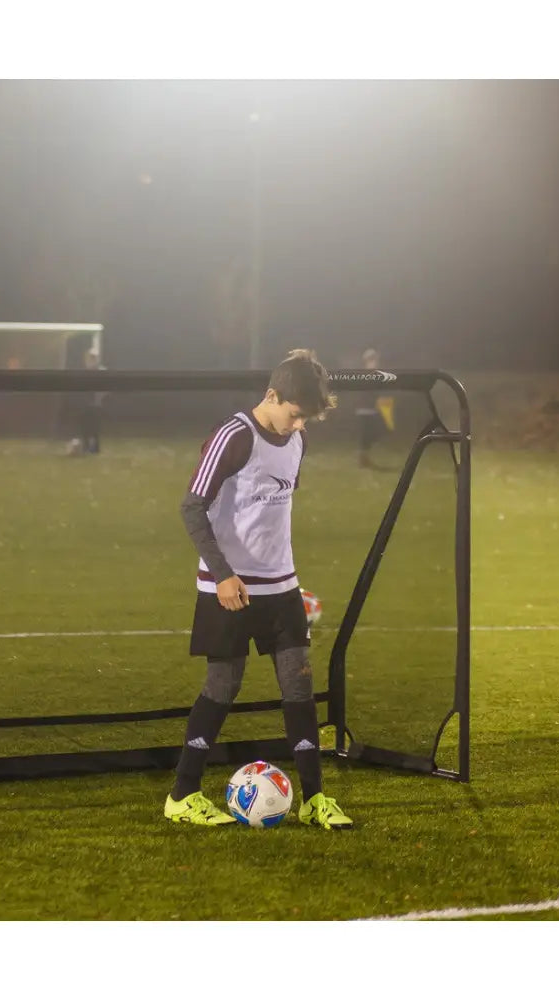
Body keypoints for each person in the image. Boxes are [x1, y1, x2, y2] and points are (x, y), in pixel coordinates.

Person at [164, 348, 354, 830]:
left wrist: (283, 573)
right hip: (228, 587)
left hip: (281, 587)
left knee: (299, 686)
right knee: (223, 685)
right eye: (293, 415)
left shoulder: (298, 439)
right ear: (272, 395)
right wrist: (224, 574)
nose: (296, 426)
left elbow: (272, 507)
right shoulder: (233, 435)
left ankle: (314, 800)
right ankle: (182, 796)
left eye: (304, 419)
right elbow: (192, 507)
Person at [356, 348, 393, 469]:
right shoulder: (369, 371)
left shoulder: (369, 371)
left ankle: (364, 457)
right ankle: (363, 458)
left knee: (370, 434)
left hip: (370, 408)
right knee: (368, 435)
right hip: (366, 409)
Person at [65, 347, 106, 456]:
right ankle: (86, 447)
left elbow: (105, 388)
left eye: (93, 357)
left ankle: (95, 448)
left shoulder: (101, 371)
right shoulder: (86, 371)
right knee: (85, 427)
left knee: (95, 428)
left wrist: (99, 397)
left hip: (96, 404)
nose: (90, 360)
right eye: (89, 357)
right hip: (86, 403)